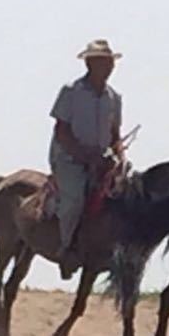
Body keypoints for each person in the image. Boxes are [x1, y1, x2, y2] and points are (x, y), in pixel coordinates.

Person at [50, 39, 123, 278]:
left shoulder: (114, 98)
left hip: (102, 160)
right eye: (104, 62)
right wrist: (84, 155)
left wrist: (118, 157)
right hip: (69, 159)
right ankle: (66, 248)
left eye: (111, 62)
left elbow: (115, 135)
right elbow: (61, 131)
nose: (109, 67)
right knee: (75, 199)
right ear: (91, 64)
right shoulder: (71, 91)